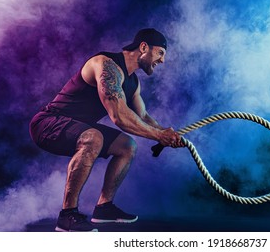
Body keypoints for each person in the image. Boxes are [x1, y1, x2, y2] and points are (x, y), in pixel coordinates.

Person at [29, 28, 184, 232]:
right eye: (160, 53)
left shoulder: (133, 83)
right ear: (144, 47)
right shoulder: (105, 64)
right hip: (47, 123)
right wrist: (158, 135)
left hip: (80, 128)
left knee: (127, 146)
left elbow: (143, 116)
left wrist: (166, 133)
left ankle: (104, 208)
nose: (162, 60)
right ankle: (67, 216)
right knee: (93, 138)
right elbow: (119, 116)